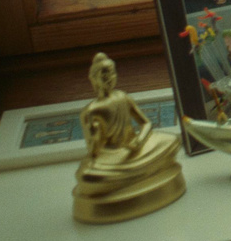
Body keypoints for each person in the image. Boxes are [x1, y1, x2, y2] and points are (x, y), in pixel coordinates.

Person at [72, 53, 184, 223]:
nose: (110, 78)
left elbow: (146, 123)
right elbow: (92, 151)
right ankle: (138, 173)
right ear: (94, 78)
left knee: (172, 141)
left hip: (135, 147)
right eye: (104, 75)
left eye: (112, 73)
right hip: (111, 155)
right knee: (87, 177)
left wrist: (139, 140)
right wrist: (96, 135)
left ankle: (134, 174)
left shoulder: (122, 97)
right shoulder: (90, 112)